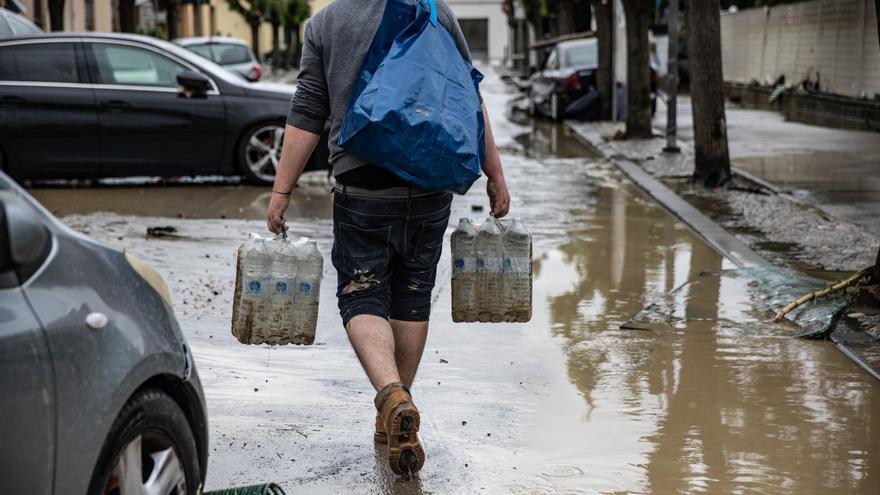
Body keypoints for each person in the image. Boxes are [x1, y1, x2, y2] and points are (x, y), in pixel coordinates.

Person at [266, 0, 510, 476]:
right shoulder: (435, 10)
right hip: (431, 177)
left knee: (362, 293)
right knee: (413, 294)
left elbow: (308, 111)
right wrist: (495, 174)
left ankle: (391, 396)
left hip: (363, 180)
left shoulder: (327, 24)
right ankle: (396, 416)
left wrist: (282, 190)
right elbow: (466, 97)